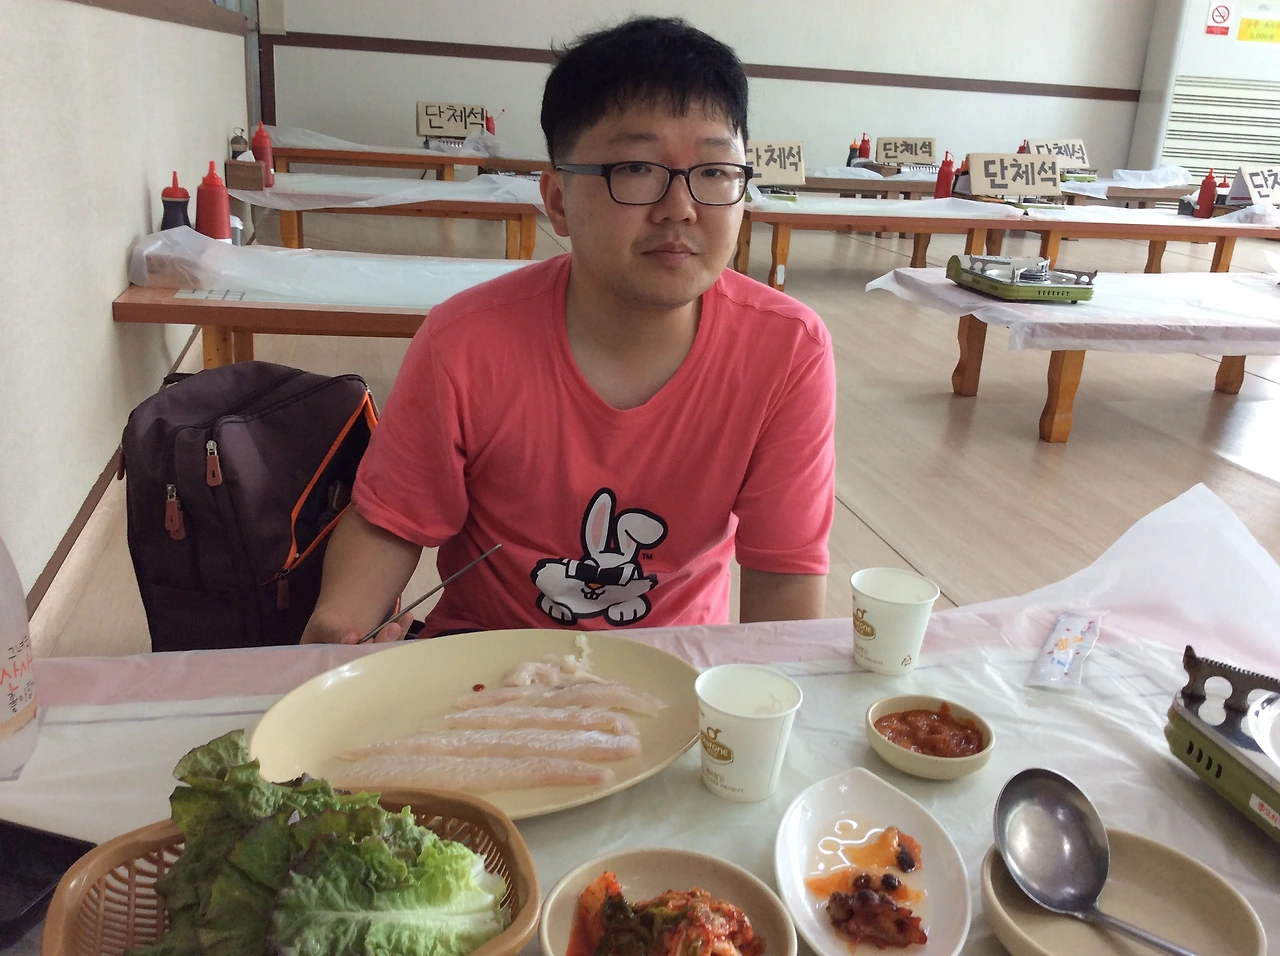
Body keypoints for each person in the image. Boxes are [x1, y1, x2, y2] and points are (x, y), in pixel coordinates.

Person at [301, 16, 835, 644]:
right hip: (485, 659)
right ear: (557, 200)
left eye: (715, 172)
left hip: (674, 662)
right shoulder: (466, 343)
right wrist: (341, 627)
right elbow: (393, 521)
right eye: (636, 168)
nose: (681, 209)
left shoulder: (786, 350)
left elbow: (784, 573)